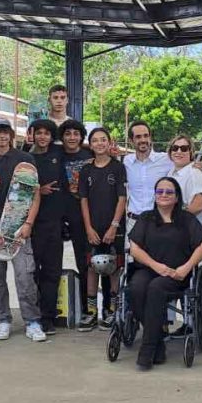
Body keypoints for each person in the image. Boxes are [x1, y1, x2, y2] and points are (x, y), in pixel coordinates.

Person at [0, 118, 45, 342]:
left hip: (18, 225)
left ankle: (32, 321)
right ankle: (3, 319)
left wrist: (28, 223)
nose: (2, 136)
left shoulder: (25, 160)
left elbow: (35, 195)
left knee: (25, 276)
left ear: (11, 135)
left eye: (5, 132)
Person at [128, 177, 202, 370]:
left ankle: (148, 350)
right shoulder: (146, 218)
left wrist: (186, 268)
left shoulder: (186, 219)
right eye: (159, 191)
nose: (163, 195)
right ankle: (158, 341)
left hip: (176, 274)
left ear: (176, 197)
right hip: (149, 269)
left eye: (169, 192)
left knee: (156, 288)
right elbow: (135, 249)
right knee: (136, 288)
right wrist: (156, 266)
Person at [79, 127, 127, 330]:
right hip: (93, 227)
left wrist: (114, 226)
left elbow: (122, 198)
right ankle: (91, 312)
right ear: (90, 144)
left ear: (109, 142)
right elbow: (83, 200)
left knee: (113, 267)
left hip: (114, 227)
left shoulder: (118, 168)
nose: (99, 143)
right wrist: (88, 228)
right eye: (95, 140)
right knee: (92, 267)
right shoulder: (86, 170)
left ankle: (112, 310)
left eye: (103, 140)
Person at [29, 119, 67, 336]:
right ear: (32, 135)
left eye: (46, 133)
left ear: (52, 136)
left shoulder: (59, 154)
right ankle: (33, 316)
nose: (42, 136)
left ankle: (48, 317)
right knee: (32, 272)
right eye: (39, 133)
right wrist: (38, 191)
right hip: (32, 224)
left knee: (52, 272)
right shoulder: (25, 159)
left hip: (55, 223)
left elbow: (80, 150)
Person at [60, 118, 93, 318]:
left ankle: (88, 308)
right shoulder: (56, 154)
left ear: (81, 137)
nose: (72, 137)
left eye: (76, 134)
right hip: (63, 215)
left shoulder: (89, 154)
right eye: (67, 134)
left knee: (86, 262)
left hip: (86, 216)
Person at [123, 120, 172, 228]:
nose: (143, 140)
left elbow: (184, 166)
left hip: (158, 223)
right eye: (138, 137)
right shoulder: (126, 161)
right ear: (131, 141)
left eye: (146, 136)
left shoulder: (166, 159)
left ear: (150, 138)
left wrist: (197, 167)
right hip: (133, 223)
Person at [167, 133, 202, 225]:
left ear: (191, 152)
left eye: (184, 149)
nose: (179, 151)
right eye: (175, 148)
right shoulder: (171, 173)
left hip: (189, 228)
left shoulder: (194, 173)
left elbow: (199, 205)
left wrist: (175, 221)